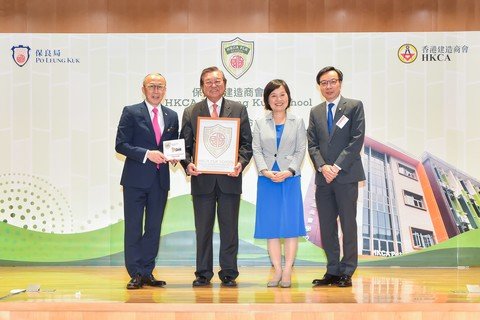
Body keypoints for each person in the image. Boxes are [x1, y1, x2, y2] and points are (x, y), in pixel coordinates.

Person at [180, 66, 253, 287]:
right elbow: (184, 145)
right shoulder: (192, 111)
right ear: (202, 86)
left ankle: (229, 273)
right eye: (209, 82)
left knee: (230, 230)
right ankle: (203, 273)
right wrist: (188, 163)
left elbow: (247, 144)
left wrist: (240, 163)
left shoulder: (239, 109)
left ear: (225, 85)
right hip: (202, 180)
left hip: (230, 179)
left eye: (218, 81)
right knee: (203, 230)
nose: (214, 85)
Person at [115, 73, 179, 289]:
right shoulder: (131, 112)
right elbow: (121, 145)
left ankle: (147, 272)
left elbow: (173, 147)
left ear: (165, 89)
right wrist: (146, 154)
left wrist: (177, 157)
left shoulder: (172, 115)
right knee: (133, 228)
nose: (156, 90)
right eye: (152, 86)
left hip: (160, 181)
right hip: (135, 180)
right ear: (143, 88)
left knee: (153, 228)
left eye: (160, 86)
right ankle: (134, 273)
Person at [307, 66, 365, 288]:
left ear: (340, 83)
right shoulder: (316, 111)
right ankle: (332, 270)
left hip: (346, 176)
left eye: (332, 82)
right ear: (319, 86)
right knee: (327, 226)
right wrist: (323, 166)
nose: (328, 86)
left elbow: (356, 140)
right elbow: (312, 144)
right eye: (323, 82)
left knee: (348, 225)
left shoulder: (354, 106)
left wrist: (336, 167)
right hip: (324, 179)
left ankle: (347, 271)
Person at [252, 79, 306, 288]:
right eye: (273, 95)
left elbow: (301, 149)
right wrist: (265, 171)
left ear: (288, 97)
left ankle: (288, 272)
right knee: (271, 228)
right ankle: (276, 270)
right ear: (267, 99)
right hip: (267, 180)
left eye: (282, 94)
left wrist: (289, 171)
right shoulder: (259, 122)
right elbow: (256, 149)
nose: (278, 99)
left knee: (291, 227)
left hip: (290, 179)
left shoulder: (297, 121)